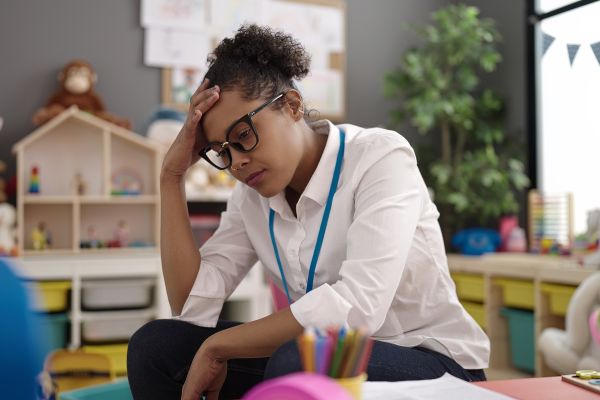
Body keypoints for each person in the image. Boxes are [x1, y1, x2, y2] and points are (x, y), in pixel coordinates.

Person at [127, 24, 490, 400]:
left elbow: (359, 308)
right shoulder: (250, 197)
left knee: (300, 359)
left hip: (431, 361)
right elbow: (190, 306)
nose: (237, 162)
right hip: (322, 356)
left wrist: (218, 346)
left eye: (243, 135)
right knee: (156, 347)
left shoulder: (379, 156)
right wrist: (171, 177)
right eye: (223, 151)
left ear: (292, 105)